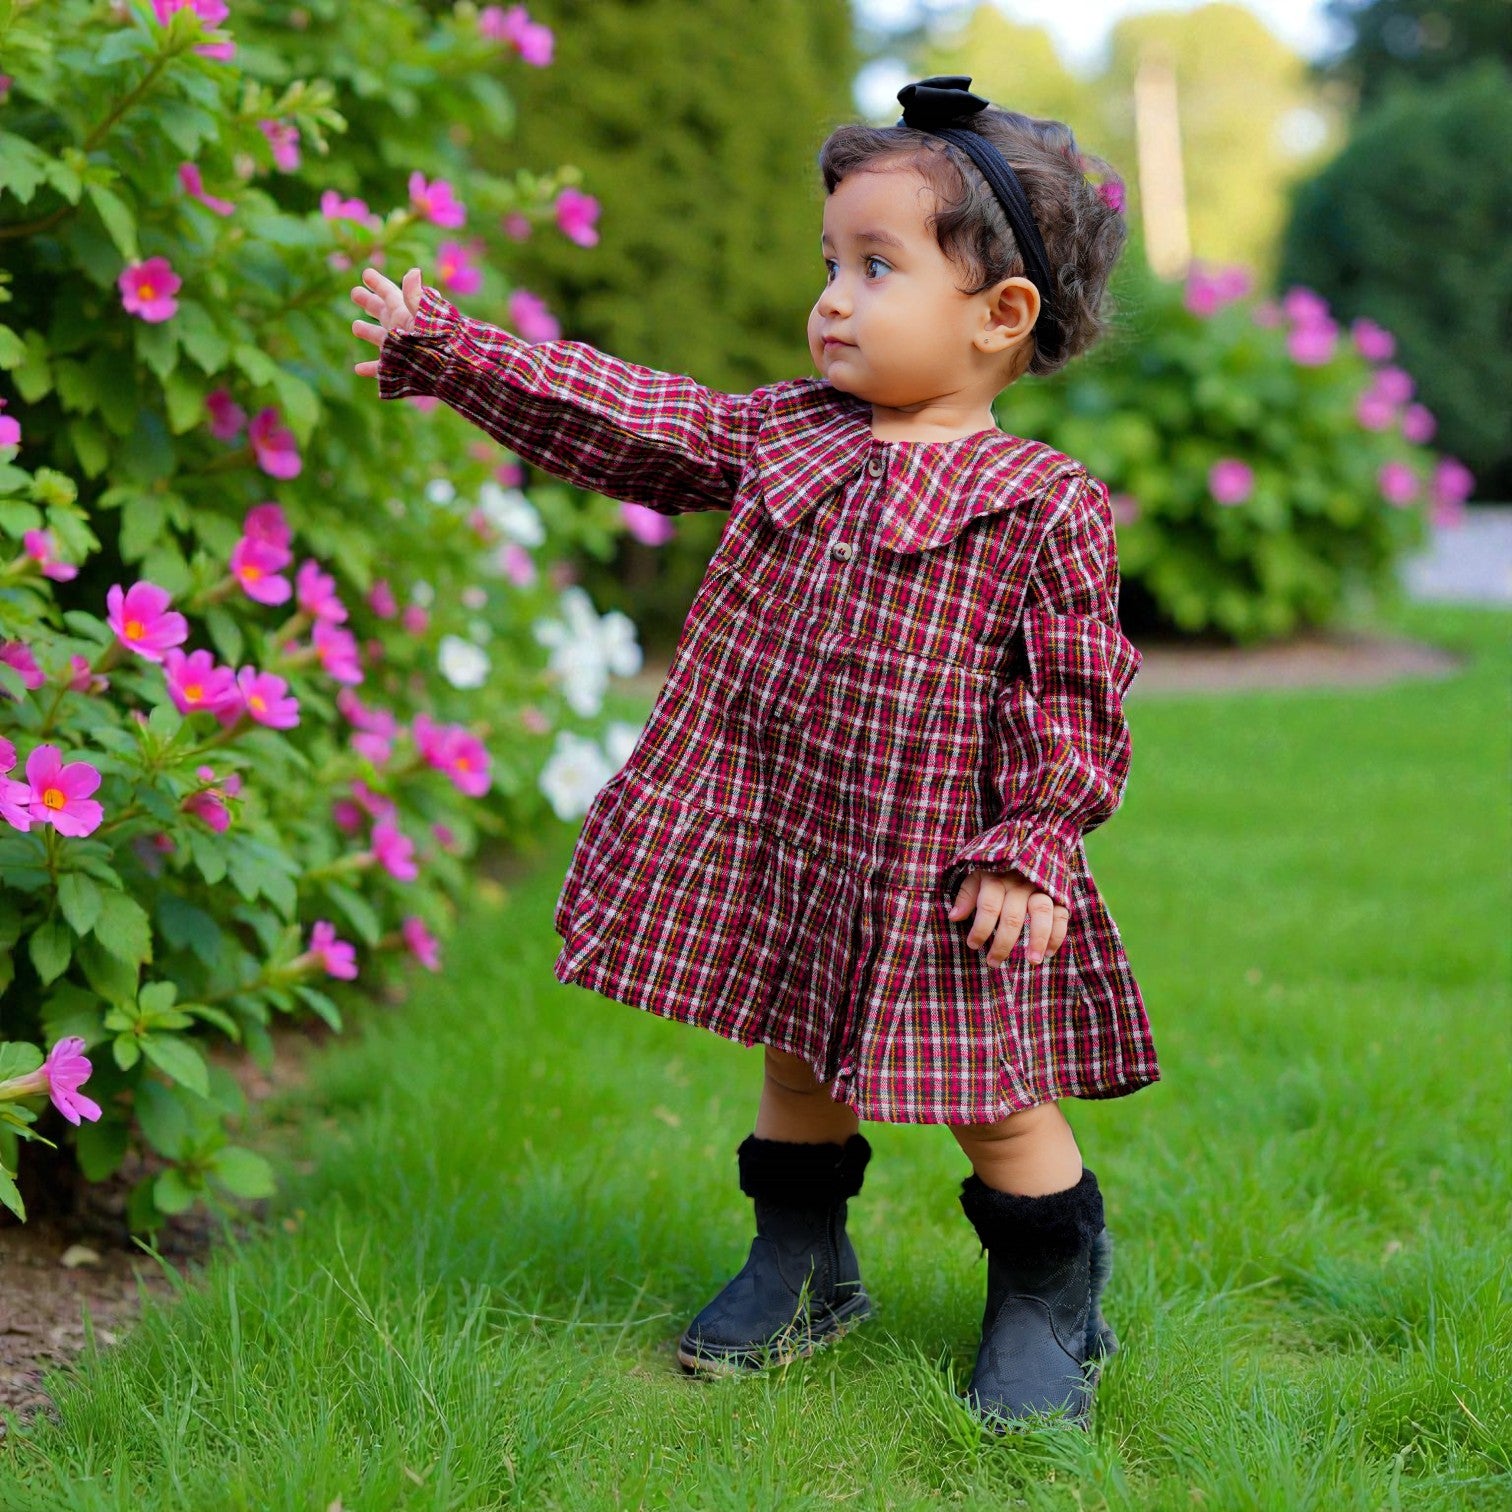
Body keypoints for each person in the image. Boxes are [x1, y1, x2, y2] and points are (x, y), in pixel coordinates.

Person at [352, 75, 1158, 1432]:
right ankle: (802, 1261)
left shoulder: (1044, 506)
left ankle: (1048, 1289)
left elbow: (1075, 695)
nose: (833, 296)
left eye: (877, 265)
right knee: (796, 1056)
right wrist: (453, 349)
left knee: (995, 1096)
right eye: (831, 262)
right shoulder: (787, 429)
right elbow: (630, 414)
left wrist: (1033, 841)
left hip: (942, 865)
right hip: (789, 830)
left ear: (999, 316)